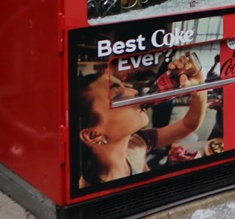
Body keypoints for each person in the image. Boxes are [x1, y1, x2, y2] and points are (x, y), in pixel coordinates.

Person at [75, 54, 209, 188]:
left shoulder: (137, 144)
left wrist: (199, 87)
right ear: (93, 135)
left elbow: (188, 125)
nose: (133, 91)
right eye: (118, 95)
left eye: (124, 86)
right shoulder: (91, 195)